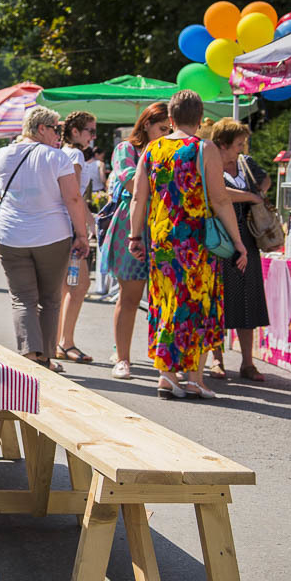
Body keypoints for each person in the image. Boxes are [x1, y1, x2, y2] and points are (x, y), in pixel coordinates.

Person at [128, 90, 247, 400]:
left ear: (170, 118)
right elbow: (220, 198)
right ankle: (194, 378)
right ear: (199, 116)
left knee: (167, 302)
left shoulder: (153, 149)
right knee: (197, 303)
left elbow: (139, 196)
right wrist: (238, 241)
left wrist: (134, 235)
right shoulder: (203, 148)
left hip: (163, 237)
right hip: (196, 240)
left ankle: (166, 376)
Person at [0, 106, 90, 371]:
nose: (59, 134)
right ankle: (44, 359)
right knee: (50, 298)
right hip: (51, 235)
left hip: (10, 235)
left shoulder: (3, 154)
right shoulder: (57, 158)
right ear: (41, 128)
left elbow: (0, 192)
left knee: (22, 297)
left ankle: (30, 356)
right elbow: (73, 198)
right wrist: (82, 234)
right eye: (55, 128)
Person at [99, 102, 172, 379]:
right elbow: (130, 183)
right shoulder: (127, 149)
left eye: (170, 129)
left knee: (163, 299)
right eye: (162, 128)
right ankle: (123, 359)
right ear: (146, 125)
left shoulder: (170, 149)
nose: (166, 134)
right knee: (129, 296)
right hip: (132, 225)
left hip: (164, 226)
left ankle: (162, 357)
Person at [207, 118, 271, 382]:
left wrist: (258, 192)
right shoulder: (211, 163)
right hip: (221, 239)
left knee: (248, 301)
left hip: (248, 238)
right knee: (217, 300)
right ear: (222, 144)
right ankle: (216, 359)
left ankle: (247, 362)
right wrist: (251, 196)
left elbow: (265, 180)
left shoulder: (245, 163)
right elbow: (219, 194)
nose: (241, 149)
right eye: (237, 144)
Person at [55, 111, 98, 363]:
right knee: (80, 284)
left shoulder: (62, 152)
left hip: (61, 224)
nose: (93, 137)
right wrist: (89, 224)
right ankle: (66, 341)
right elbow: (74, 195)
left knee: (66, 287)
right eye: (90, 131)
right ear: (75, 132)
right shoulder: (76, 155)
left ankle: (60, 340)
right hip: (71, 225)